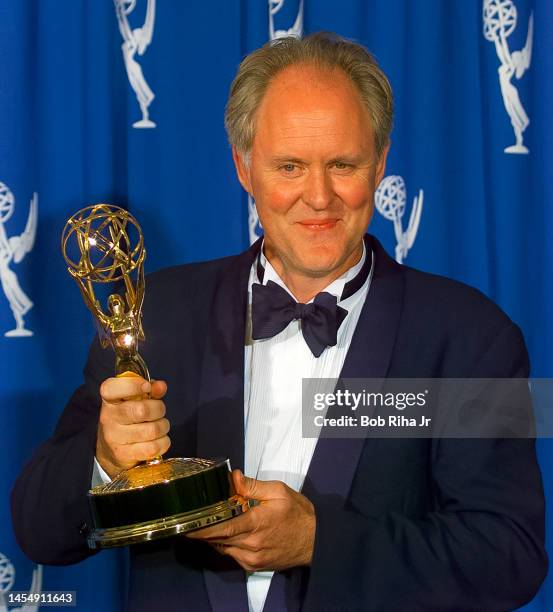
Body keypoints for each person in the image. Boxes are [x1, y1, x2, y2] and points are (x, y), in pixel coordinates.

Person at [11, 32, 547, 611]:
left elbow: (510, 554)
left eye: (343, 164)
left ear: (381, 163)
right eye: (289, 166)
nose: (318, 197)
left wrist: (321, 541)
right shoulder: (158, 316)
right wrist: (105, 462)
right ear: (244, 167)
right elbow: (39, 530)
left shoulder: (472, 337)